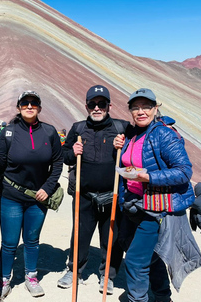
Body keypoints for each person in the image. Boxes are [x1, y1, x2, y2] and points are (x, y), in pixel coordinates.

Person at [114, 88, 201, 302]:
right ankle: (163, 297)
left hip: (155, 209)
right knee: (151, 256)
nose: (140, 111)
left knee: (135, 260)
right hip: (133, 205)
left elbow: (184, 171)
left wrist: (150, 177)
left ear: (155, 109)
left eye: (146, 106)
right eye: (135, 108)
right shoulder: (133, 134)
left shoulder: (163, 134)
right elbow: (125, 166)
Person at [0, 90, 63, 298]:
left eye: (34, 103)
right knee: (9, 242)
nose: (29, 106)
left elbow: (57, 163)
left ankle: (31, 277)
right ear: (19, 107)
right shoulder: (8, 132)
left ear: (39, 107)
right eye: (25, 103)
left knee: (32, 240)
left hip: (38, 197)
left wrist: (47, 188)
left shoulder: (49, 131)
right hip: (11, 196)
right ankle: (4, 279)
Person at [57, 85, 130, 294]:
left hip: (113, 194)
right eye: (92, 104)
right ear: (86, 106)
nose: (97, 108)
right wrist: (72, 151)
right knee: (80, 234)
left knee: (111, 238)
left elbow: (135, 153)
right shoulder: (78, 128)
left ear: (109, 106)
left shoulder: (122, 128)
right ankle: (75, 271)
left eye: (101, 104)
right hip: (84, 195)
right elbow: (65, 156)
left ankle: (107, 275)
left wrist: (122, 148)